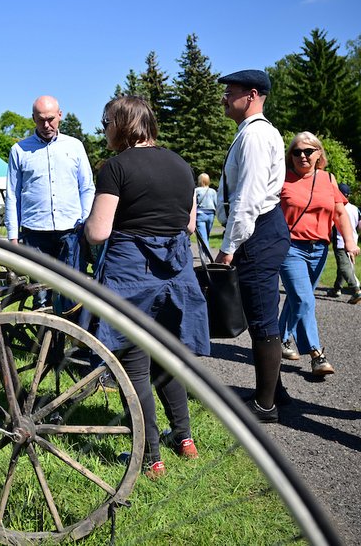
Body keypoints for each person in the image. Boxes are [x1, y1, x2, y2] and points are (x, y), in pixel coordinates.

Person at [84, 95, 209, 479]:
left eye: (106, 121)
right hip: (175, 276)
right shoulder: (182, 165)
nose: (103, 128)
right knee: (167, 359)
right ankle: (185, 440)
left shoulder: (115, 168)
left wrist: (84, 228)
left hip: (132, 276)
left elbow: (99, 230)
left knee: (135, 365)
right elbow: (188, 226)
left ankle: (150, 457)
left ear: (122, 124)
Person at [216, 69, 290, 423]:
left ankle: (265, 405)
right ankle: (274, 390)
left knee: (261, 317)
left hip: (258, 230)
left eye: (231, 92)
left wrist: (228, 248)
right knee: (259, 312)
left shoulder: (256, 136)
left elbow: (248, 197)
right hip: (259, 230)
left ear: (253, 95)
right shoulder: (249, 133)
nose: (224, 97)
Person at [278, 132, 360, 377]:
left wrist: (349, 242)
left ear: (319, 155)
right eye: (297, 152)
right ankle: (316, 354)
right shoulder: (281, 179)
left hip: (319, 249)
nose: (302, 156)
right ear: (290, 156)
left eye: (308, 151)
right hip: (290, 248)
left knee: (298, 298)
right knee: (304, 300)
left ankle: (282, 339)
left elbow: (339, 213)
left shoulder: (328, 179)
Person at [5, 94, 95, 257]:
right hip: (34, 233)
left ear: (60, 115)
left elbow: (87, 187)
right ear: (33, 118)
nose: (46, 125)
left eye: (51, 119)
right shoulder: (19, 150)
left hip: (72, 231)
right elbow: (12, 195)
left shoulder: (75, 146)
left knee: (71, 282)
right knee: (38, 283)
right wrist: (13, 236)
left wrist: (85, 222)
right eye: (40, 120)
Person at [328, 183, 361, 303]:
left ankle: (356, 290)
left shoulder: (337, 208)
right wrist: (355, 232)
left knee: (344, 266)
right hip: (353, 241)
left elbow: (332, 224)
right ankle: (337, 289)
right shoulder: (355, 208)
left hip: (340, 242)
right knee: (344, 265)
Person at [194, 173, 218, 250]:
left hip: (200, 215)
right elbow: (216, 204)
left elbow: (194, 204)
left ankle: (206, 255)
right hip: (211, 215)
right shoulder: (213, 191)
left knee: (203, 237)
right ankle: (205, 253)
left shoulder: (196, 190)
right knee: (206, 236)